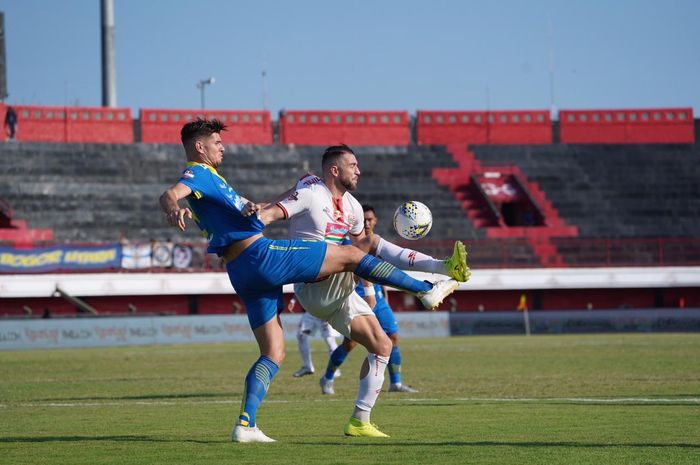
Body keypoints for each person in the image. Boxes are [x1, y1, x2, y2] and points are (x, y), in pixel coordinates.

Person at [159, 120, 460, 443]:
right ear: (200, 147)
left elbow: (244, 211)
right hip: (259, 255)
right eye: (217, 142)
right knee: (352, 256)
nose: (223, 147)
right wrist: (174, 207)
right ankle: (426, 290)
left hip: (241, 271)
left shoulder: (215, 181)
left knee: (273, 352)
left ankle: (246, 424)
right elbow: (170, 194)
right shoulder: (199, 173)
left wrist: (250, 206)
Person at [254, 144, 470, 437]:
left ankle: (360, 421)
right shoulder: (311, 193)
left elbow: (362, 254)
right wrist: (256, 215)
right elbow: (270, 214)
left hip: (339, 291)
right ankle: (434, 276)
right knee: (368, 243)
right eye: (352, 165)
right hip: (312, 284)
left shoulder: (354, 207)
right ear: (334, 170)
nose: (358, 170)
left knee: (383, 346)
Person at [320, 205, 421, 395]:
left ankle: (396, 383)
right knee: (350, 343)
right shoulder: (347, 243)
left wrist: (384, 294)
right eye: (363, 220)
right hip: (356, 297)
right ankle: (327, 378)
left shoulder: (377, 244)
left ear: (375, 221)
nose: (366, 223)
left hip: (378, 298)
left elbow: (383, 272)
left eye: (370, 220)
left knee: (392, 337)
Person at [288, 297, 342, 378]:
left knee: (330, 340)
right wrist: (293, 300)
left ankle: (335, 369)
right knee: (301, 335)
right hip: (311, 311)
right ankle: (308, 367)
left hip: (324, 310)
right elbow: (300, 285)